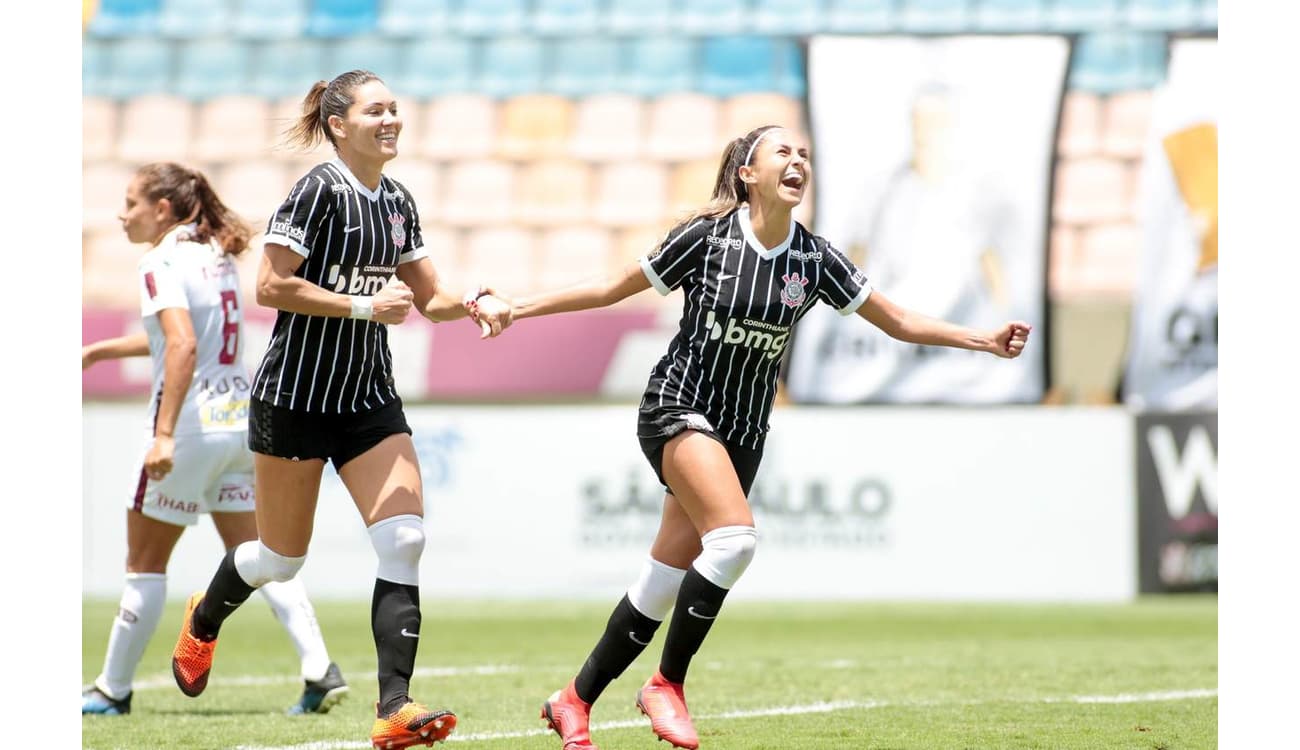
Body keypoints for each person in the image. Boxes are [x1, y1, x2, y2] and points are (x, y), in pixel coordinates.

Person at [499, 125, 1030, 750]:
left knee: (663, 577)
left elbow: (900, 320)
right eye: (783, 152)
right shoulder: (706, 238)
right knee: (734, 541)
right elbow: (613, 288)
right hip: (679, 405)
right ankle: (665, 684)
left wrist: (983, 340)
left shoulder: (814, 259)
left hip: (744, 433)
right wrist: (518, 307)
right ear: (748, 173)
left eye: (803, 153)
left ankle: (573, 700)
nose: (797, 160)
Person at [168, 70, 510, 750]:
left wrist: (474, 301)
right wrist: (361, 305)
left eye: (395, 109)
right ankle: (204, 619)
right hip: (295, 398)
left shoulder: (399, 202)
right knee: (278, 560)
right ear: (339, 124)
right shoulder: (318, 191)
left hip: (368, 399)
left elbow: (427, 296)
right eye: (376, 109)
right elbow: (269, 285)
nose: (391, 119)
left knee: (405, 538)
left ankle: (395, 709)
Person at [81, 162, 348, 717]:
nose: (121, 214)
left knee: (145, 564)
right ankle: (320, 669)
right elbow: (184, 336)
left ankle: (111, 689)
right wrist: (100, 351)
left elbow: (180, 347)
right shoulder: (217, 256)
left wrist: (163, 436)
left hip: (192, 429)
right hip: (238, 425)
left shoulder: (159, 260)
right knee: (257, 555)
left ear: (162, 209)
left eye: (130, 202)